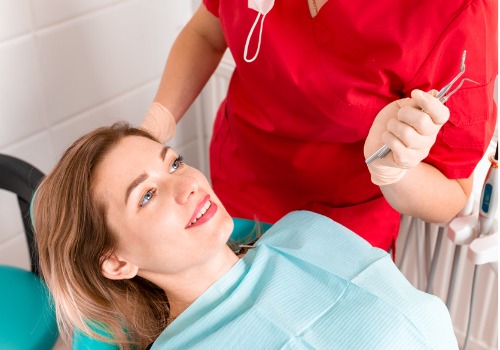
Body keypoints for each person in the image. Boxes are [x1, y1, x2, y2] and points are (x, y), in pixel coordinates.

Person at [32, 122, 458, 349]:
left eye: (175, 164)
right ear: (118, 262)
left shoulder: (306, 235)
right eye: (146, 195)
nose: (189, 186)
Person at [141, 0, 497, 252]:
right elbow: (207, 33)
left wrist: (395, 171)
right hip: (238, 180)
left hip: (342, 223)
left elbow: (453, 193)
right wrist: (157, 122)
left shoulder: (451, 12)